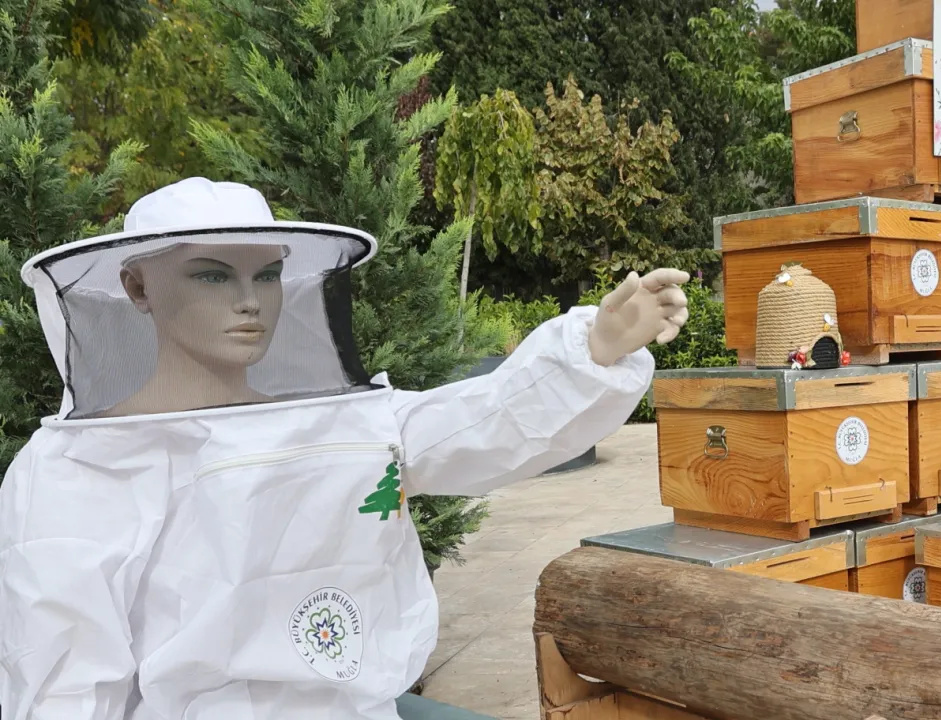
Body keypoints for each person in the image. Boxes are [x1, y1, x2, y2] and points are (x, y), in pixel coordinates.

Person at [0, 178, 689, 719]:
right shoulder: (73, 469)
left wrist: (595, 350)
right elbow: (62, 682)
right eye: (211, 275)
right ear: (136, 286)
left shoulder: (347, 425)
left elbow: (486, 421)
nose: (249, 301)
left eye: (266, 275)